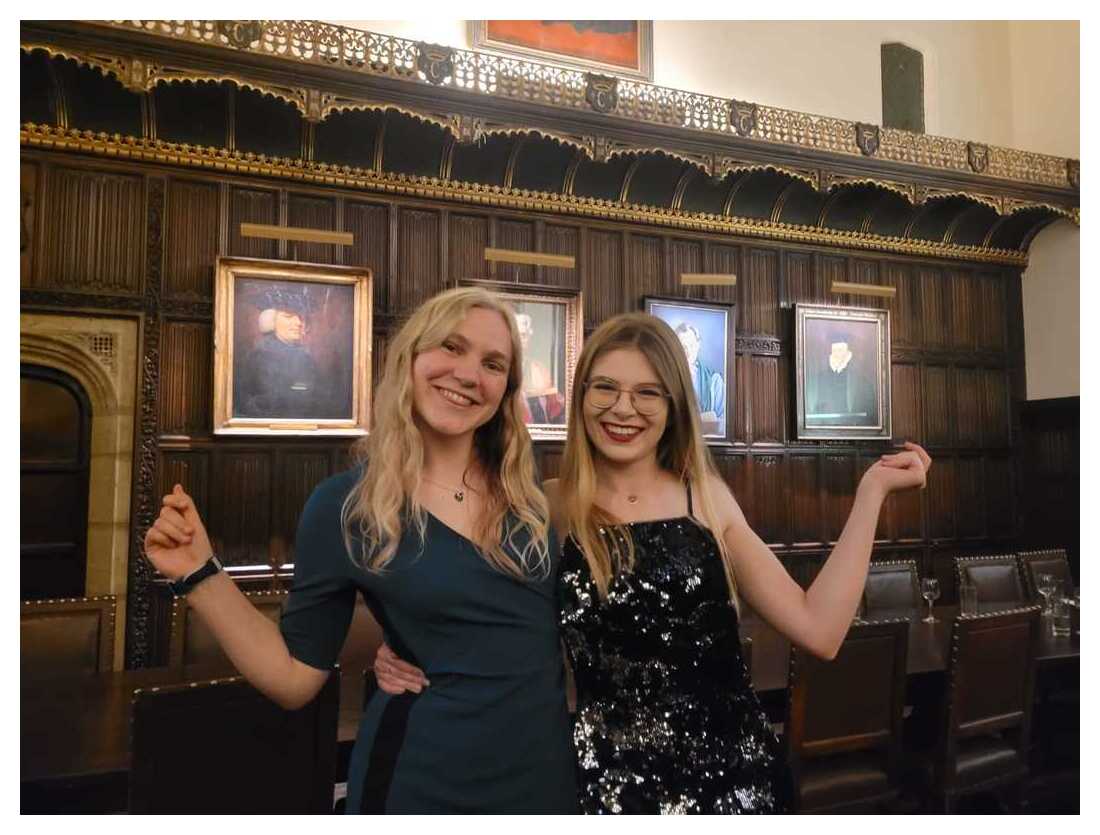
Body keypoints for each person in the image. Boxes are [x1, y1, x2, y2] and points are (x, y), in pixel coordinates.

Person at [376, 311, 931, 814]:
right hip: (606, 787)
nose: (624, 409)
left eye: (648, 393)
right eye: (607, 388)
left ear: (673, 408)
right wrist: (402, 648)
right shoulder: (545, 507)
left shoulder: (706, 499)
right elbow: (475, 614)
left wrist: (871, 494)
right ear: (582, 395)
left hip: (731, 781)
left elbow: (821, 630)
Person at [143, 286, 579, 813]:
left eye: (492, 363)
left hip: (547, 777)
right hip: (423, 780)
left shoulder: (530, 494)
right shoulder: (345, 506)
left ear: (506, 388)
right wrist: (200, 574)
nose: (468, 374)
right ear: (411, 358)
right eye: (450, 346)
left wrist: (394, 641)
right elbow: (294, 677)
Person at [235, 288, 341, 420]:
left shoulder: (305, 357)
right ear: (271, 322)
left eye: (300, 317)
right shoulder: (260, 356)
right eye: (288, 316)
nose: (298, 323)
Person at [515, 310, 565, 425]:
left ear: (528, 338)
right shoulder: (496, 369)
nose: (519, 341)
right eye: (515, 335)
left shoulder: (539, 369)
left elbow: (555, 408)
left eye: (523, 336)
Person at [673, 321, 724, 433]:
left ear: (698, 346)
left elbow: (724, 425)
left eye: (691, 345)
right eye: (682, 346)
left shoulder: (714, 380)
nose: (688, 352)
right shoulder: (666, 378)